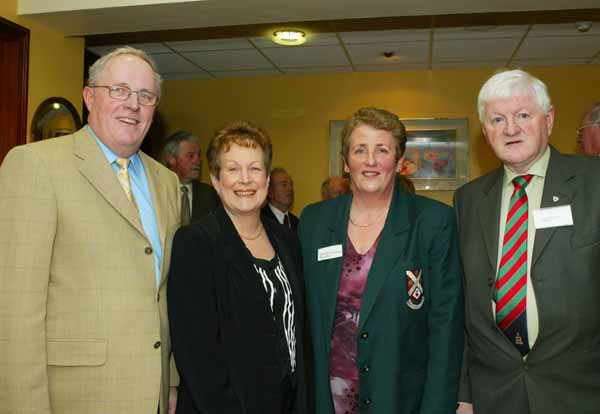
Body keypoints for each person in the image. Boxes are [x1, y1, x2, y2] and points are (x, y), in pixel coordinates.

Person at [0, 46, 180, 413]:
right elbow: (14, 312)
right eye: (119, 90)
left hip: (155, 395)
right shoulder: (36, 165)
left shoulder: (167, 182)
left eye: (146, 96)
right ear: (88, 97)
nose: (133, 104)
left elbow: (166, 294)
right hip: (74, 397)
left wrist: (172, 380)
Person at [299, 107, 464, 414]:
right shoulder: (314, 222)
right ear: (346, 162)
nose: (371, 161)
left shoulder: (432, 221)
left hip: (402, 399)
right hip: (327, 399)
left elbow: (447, 326)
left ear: (399, 162)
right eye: (360, 150)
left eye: (382, 150)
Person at [454, 70, 600, 414]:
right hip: (496, 394)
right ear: (485, 130)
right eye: (497, 119)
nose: (510, 128)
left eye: (523, 115)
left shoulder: (594, 183)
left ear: (548, 119)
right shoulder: (469, 200)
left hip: (582, 391)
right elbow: (464, 309)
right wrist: (465, 393)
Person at [167, 120, 308, 414]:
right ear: (216, 180)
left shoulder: (288, 241)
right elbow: (197, 357)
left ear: (267, 180)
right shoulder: (196, 244)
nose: (245, 179)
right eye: (233, 169)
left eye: (255, 169)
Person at [163, 130, 220, 224]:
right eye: (190, 156)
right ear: (171, 159)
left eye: (198, 155)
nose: (198, 162)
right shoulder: (155, 191)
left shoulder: (210, 195)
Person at [262, 167, 299, 231]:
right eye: (284, 184)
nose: (290, 189)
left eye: (291, 184)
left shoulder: (297, 223)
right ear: (270, 191)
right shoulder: (259, 220)